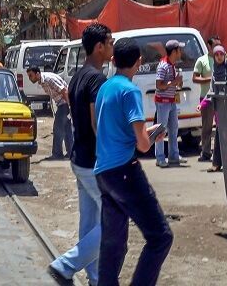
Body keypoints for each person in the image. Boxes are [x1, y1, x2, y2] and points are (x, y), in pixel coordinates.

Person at [95, 37, 173, 286]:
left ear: (114, 60)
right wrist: (154, 134)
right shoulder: (129, 91)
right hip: (125, 172)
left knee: (112, 242)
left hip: (104, 172)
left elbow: (104, 128)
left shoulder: (105, 88)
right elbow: (142, 144)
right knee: (160, 236)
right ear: (138, 62)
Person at [47, 23, 111, 286]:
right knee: (114, 220)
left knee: (89, 222)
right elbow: (98, 123)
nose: (113, 46)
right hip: (94, 159)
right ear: (99, 47)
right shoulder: (96, 79)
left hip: (80, 157)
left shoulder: (77, 76)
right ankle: (65, 264)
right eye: (110, 41)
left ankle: (95, 279)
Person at [27, 65, 72, 159]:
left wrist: (69, 106)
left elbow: (64, 90)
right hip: (61, 104)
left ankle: (57, 154)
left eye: (31, 75)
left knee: (58, 129)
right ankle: (71, 153)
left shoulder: (48, 79)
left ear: (37, 74)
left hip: (64, 103)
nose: (30, 78)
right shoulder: (42, 81)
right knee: (67, 129)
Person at [154, 39, 183, 167]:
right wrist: (174, 82)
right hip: (163, 102)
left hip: (171, 101)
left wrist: (178, 83)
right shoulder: (163, 65)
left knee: (173, 129)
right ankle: (160, 157)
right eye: (179, 50)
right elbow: (159, 85)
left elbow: (172, 84)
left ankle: (173, 155)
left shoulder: (172, 65)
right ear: (174, 51)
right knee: (161, 130)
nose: (181, 52)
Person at [192, 37, 218, 162]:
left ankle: (219, 152)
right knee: (207, 127)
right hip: (206, 98)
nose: (217, 48)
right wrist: (210, 80)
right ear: (209, 46)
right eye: (215, 46)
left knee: (220, 126)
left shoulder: (222, 59)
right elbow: (195, 78)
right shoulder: (201, 61)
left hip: (219, 97)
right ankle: (206, 152)